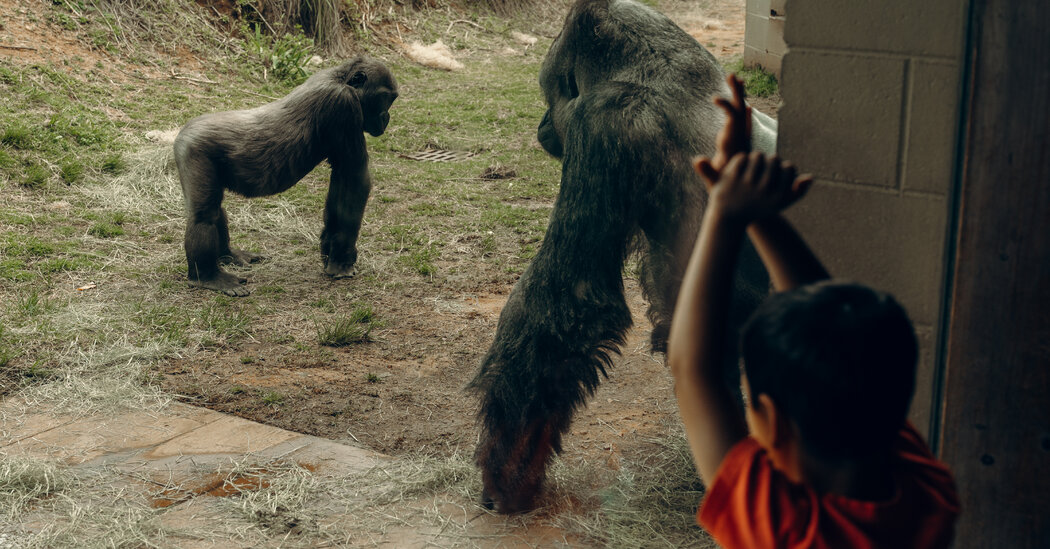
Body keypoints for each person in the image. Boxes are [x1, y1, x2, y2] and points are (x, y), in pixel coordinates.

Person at [667, 75, 960, 548]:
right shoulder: (923, 490)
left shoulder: (781, 526)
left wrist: (725, 210)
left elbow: (692, 370)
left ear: (773, 423)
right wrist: (745, 213)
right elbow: (836, 329)